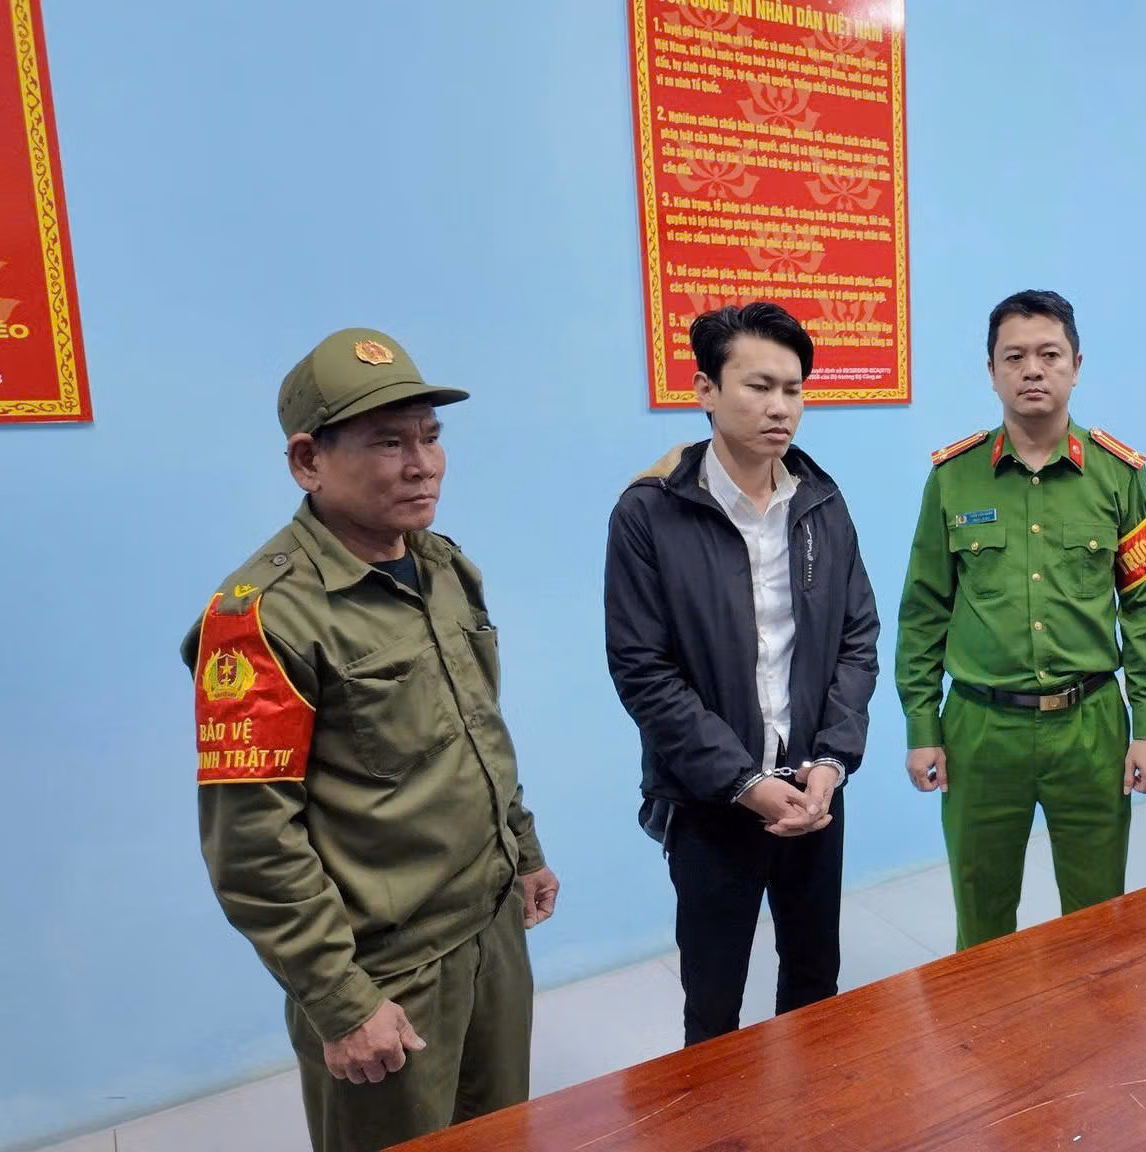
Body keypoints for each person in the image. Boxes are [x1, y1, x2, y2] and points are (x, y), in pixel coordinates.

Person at [185, 328, 559, 1152]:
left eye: (430, 437)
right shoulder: (263, 619)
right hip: (387, 971)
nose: (422, 465)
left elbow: (477, 731)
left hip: (490, 926)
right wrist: (342, 1002)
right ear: (307, 461)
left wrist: (523, 850)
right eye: (388, 443)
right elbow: (252, 843)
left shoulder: (443, 568)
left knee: (503, 1134)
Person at [604, 302, 879, 1045]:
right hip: (712, 801)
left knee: (816, 981)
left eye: (793, 389)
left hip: (813, 789)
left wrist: (831, 760)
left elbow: (857, 638)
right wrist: (742, 782)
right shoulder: (649, 512)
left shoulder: (820, 500)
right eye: (759, 386)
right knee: (714, 999)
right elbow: (643, 670)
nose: (780, 407)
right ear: (706, 391)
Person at [895, 289, 1146, 950]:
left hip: (1090, 728)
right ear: (991, 371)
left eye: (1049, 354)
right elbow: (924, 611)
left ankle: (1094, 1017)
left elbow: (1145, 606)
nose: (1032, 370)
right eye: (1014, 356)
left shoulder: (1118, 474)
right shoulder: (953, 479)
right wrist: (922, 727)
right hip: (981, 730)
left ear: (1076, 365)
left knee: (1099, 917)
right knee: (982, 919)